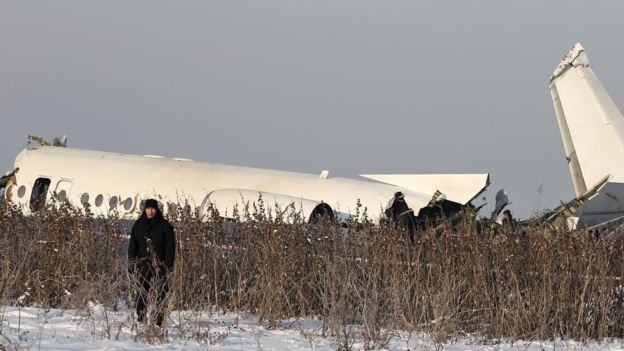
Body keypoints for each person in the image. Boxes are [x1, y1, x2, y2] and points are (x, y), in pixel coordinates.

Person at [128, 199, 176, 327]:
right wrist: (131, 263)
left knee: (162, 291)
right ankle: (141, 317)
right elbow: (133, 245)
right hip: (144, 263)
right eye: (148, 208)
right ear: (144, 209)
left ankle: (159, 319)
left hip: (160, 264)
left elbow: (170, 247)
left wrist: (168, 265)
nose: (150, 211)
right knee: (142, 291)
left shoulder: (165, 225)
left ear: (157, 210)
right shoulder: (139, 225)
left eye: (153, 209)